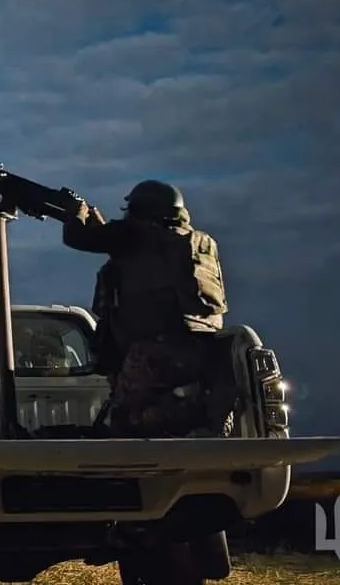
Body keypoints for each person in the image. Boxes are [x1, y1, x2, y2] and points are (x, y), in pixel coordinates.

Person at [61, 180, 229, 437]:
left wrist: (76, 211)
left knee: (125, 423)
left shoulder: (134, 234)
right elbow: (135, 256)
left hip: (152, 352)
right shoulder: (195, 242)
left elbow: (76, 237)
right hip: (202, 347)